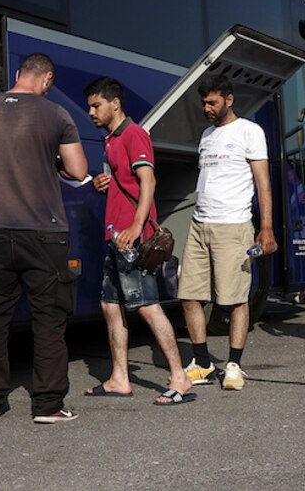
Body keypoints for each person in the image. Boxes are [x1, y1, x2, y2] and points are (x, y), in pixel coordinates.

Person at [0, 53, 88, 421]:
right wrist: (47, 160)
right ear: (47, 79)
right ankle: (48, 405)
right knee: (49, 319)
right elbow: (78, 170)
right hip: (44, 233)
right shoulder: (56, 115)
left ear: (18, 75)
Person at [82, 77, 194, 405]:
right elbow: (128, 182)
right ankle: (120, 378)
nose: (90, 112)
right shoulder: (112, 139)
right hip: (115, 236)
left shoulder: (134, 134)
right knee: (110, 305)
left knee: (147, 306)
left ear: (115, 103)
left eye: (96, 105)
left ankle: (180, 378)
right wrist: (109, 183)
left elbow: (149, 181)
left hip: (131, 238)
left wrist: (135, 226)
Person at [179, 75, 277, 391]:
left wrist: (266, 228)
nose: (207, 108)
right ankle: (204, 363)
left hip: (233, 225)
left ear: (229, 99)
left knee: (234, 299)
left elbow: (263, 182)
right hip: (199, 225)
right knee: (189, 295)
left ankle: (233, 364)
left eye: (213, 102)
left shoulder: (249, 131)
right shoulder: (207, 135)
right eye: (204, 103)